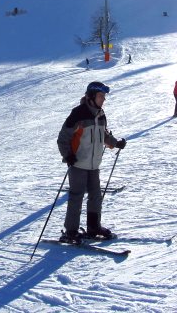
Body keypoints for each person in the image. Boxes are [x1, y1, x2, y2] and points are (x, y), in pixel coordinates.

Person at [56, 82, 126, 244]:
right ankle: (71, 231)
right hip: (78, 164)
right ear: (91, 97)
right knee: (76, 197)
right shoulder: (78, 114)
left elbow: (104, 136)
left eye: (104, 97)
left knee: (95, 196)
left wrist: (116, 143)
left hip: (94, 165)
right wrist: (68, 156)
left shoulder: (101, 115)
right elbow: (62, 139)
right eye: (101, 96)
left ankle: (94, 228)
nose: (104, 100)